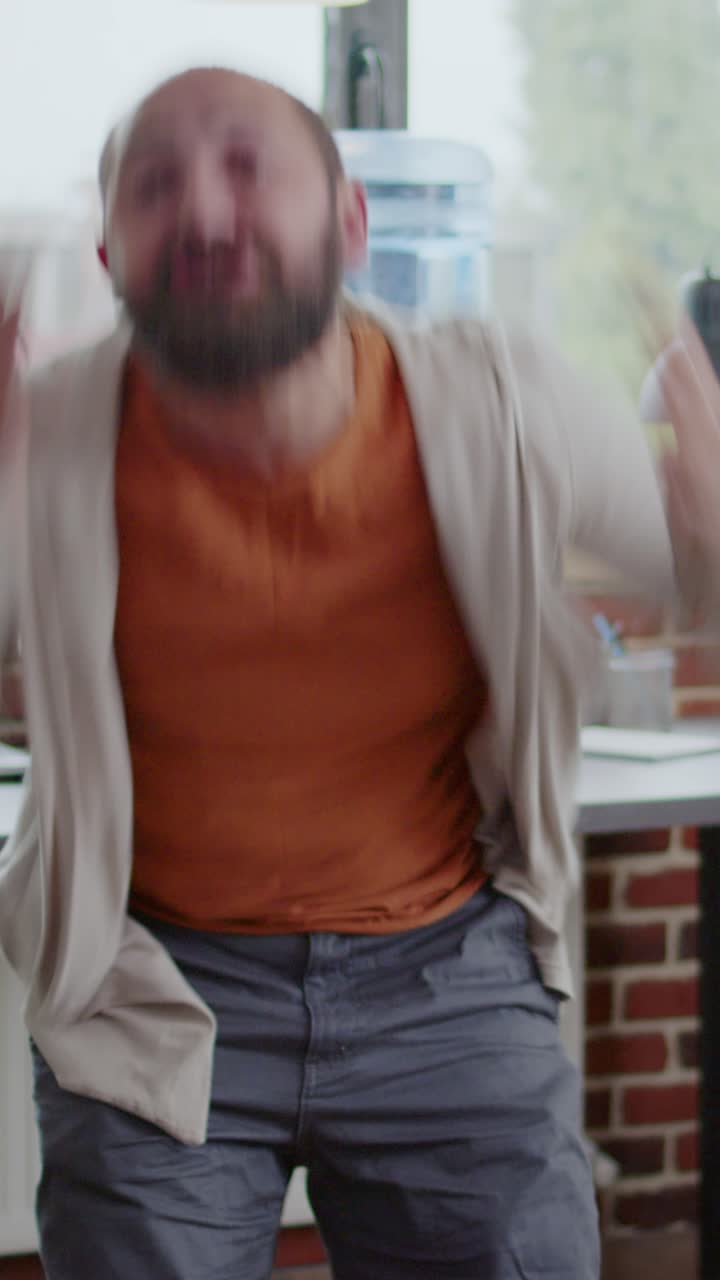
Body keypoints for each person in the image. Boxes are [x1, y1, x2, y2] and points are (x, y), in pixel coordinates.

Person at [0, 65, 716, 1280]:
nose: (210, 213)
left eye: (248, 168)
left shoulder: (505, 401)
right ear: (113, 252)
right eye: (158, 184)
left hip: (448, 971)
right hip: (151, 981)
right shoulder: (46, 439)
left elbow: (693, 573)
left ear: (350, 222)